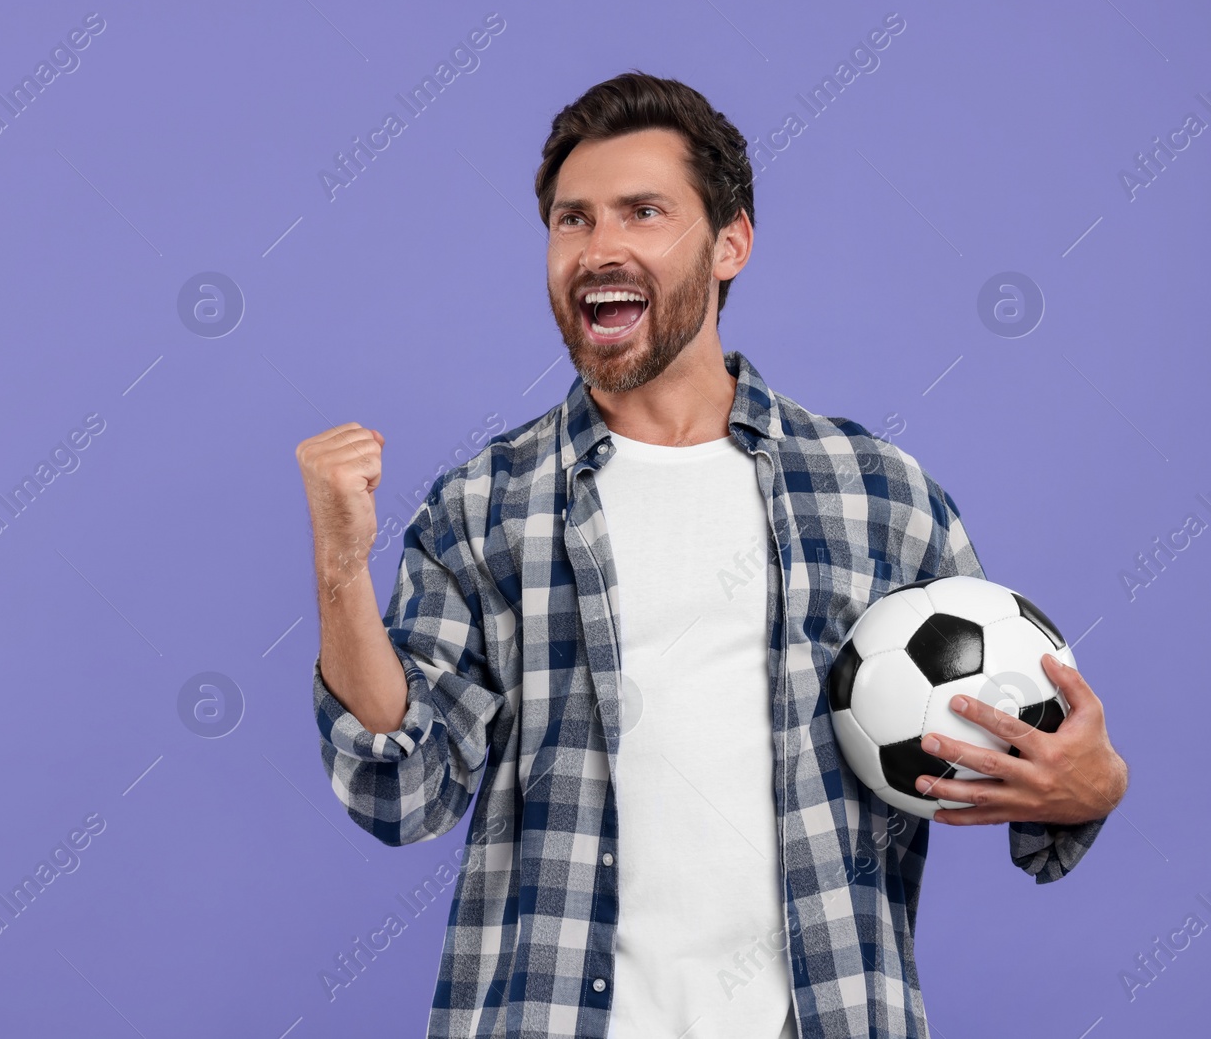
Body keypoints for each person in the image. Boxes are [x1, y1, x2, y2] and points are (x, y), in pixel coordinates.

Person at [293, 71, 1128, 1039]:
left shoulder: (877, 494)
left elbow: (1008, 745)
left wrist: (1092, 784)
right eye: (572, 220)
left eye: (643, 212)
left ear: (730, 241)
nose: (599, 247)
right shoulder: (484, 503)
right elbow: (403, 789)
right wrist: (339, 572)